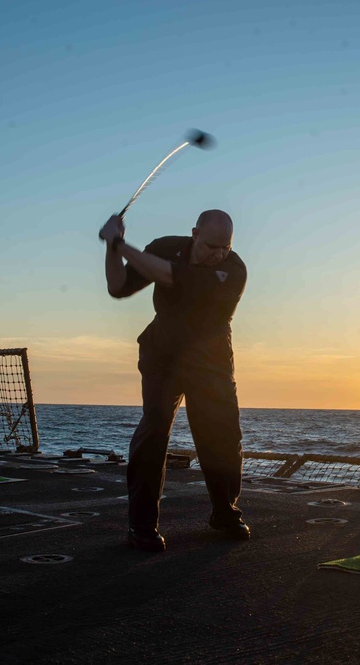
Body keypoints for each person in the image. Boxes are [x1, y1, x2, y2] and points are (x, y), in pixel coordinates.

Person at [100, 209, 249, 552]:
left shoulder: (233, 271)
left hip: (209, 359)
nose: (218, 254)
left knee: (223, 436)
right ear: (195, 233)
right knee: (154, 429)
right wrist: (111, 248)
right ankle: (141, 527)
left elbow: (168, 276)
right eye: (212, 245)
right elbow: (117, 286)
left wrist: (118, 242)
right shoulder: (164, 247)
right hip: (162, 355)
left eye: (225, 247)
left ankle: (224, 513)